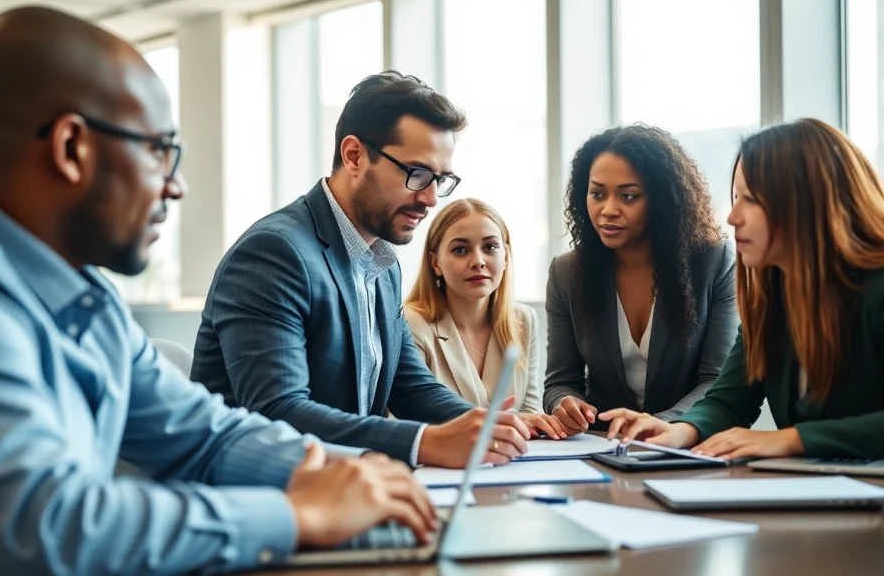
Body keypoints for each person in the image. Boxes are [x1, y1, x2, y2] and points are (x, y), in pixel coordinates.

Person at [0, 7, 438, 576]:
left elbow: (203, 433)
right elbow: (48, 527)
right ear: (72, 147)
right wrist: (295, 514)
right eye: (158, 150)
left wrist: (325, 471)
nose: (176, 185)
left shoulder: (86, 296)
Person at [191, 71, 530, 468]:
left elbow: (410, 384)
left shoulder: (382, 266)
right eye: (417, 174)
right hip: (257, 497)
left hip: (342, 486)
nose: (430, 198)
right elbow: (277, 409)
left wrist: (491, 424)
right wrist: (424, 442)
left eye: (441, 179)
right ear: (354, 156)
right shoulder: (276, 252)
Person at [608, 118, 884, 460]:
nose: (733, 217)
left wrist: (790, 439)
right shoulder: (774, 294)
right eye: (735, 199)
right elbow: (730, 401)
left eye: (748, 200)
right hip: (817, 496)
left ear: (806, 202)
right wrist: (679, 431)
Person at [544, 124, 739, 437]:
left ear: (662, 201)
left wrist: (663, 424)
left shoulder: (714, 261)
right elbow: (560, 382)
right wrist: (565, 403)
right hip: (602, 446)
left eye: (628, 196)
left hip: (687, 445)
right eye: (597, 194)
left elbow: (717, 381)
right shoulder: (566, 272)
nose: (608, 210)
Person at [403, 198, 564, 439]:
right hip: (441, 465)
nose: (478, 261)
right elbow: (409, 420)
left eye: (490, 247)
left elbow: (530, 411)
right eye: (460, 250)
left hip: (511, 462)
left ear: (506, 256)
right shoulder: (411, 323)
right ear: (435, 263)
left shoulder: (523, 320)